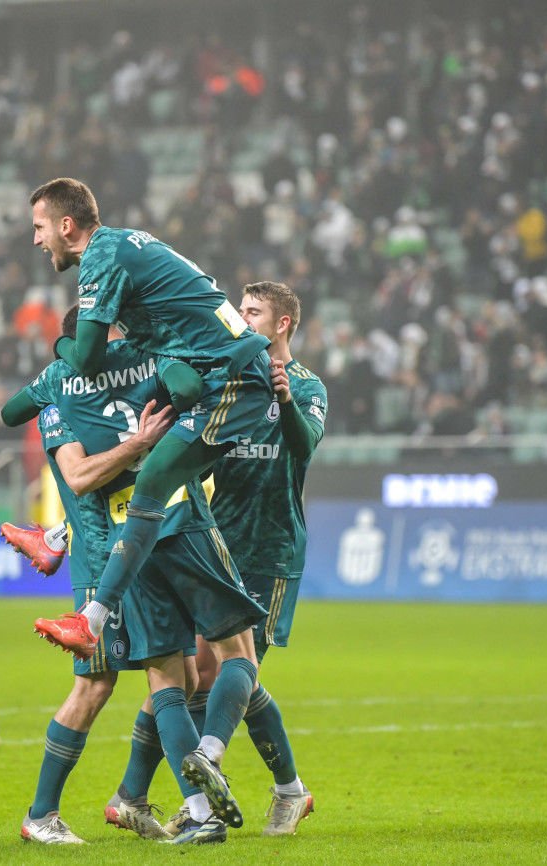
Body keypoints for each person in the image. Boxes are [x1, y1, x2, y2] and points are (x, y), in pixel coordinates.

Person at [5, 309, 268, 844]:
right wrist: (139, 443)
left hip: (133, 544)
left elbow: (12, 409)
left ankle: (135, 800)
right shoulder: (62, 402)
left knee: (180, 675)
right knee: (97, 685)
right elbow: (78, 478)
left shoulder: (77, 380)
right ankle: (42, 814)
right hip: (106, 557)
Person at [25, 180, 273, 720]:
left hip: (230, 376)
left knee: (155, 474)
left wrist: (58, 345)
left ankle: (89, 609)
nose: (37, 240)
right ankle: (226, 776)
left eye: (39, 227)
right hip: (218, 375)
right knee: (153, 474)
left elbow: (87, 356)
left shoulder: (102, 255)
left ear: (67, 225)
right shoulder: (125, 247)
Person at [194, 281, 325, 836]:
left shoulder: (307, 384)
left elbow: (304, 446)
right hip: (221, 542)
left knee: (236, 671)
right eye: (240, 312)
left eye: (253, 313)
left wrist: (286, 399)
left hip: (272, 550)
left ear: (282, 324)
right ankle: (270, 793)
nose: (242, 321)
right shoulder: (231, 381)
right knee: (208, 674)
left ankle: (239, 774)